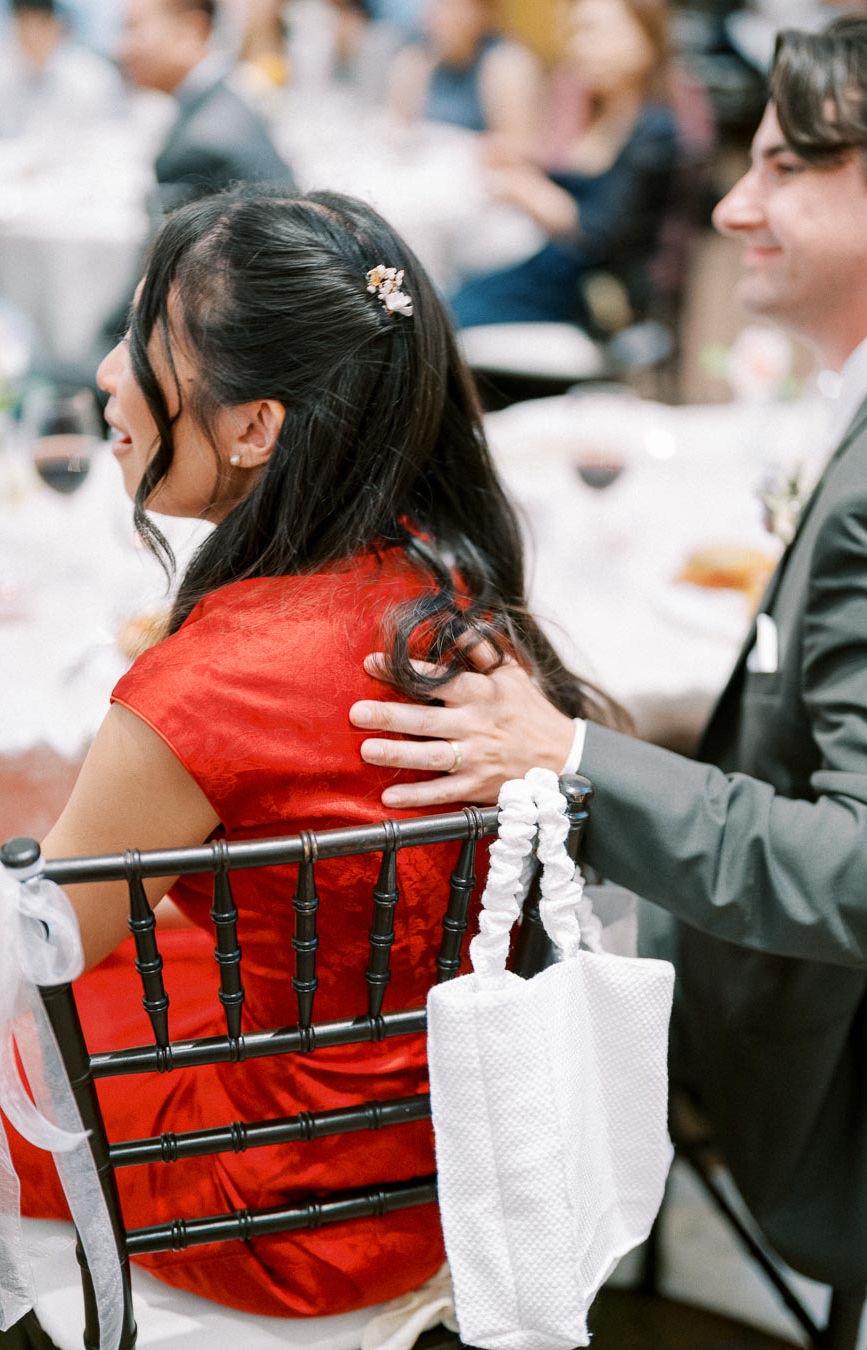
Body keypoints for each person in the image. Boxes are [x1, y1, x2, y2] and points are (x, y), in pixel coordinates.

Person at [0, 186, 606, 1317]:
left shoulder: (210, 680)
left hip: (280, 1203)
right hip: (452, 1140)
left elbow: (37, 952)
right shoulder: (440, 572)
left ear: (258, 425)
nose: (109, 376)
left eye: (143, 343)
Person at [351, 15, 867, 1296]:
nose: (740, 205)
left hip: (819, 1064)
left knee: (446, 1005)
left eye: (791, 165)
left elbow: (859, 868)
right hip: (758, 979)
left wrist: (571, 754)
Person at [451, 0, 679, 330]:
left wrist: (530, 191)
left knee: (450, 315)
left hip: (594, 294)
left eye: (591, 31)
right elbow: (583, 183)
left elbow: (602, 235)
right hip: (553, 269)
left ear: (646, 37)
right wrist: (526, 163)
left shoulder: (656, 129)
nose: (577, 47)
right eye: (574, 34)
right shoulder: (604, 115)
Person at [119, 0, 293, 216]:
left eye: (133, 27)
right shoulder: (220, 100)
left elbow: (169, 246)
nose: (121, 47)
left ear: (191, 30)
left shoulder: (201, 145)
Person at [0, 0, 125, 140]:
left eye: (40, 24)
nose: (32, 35)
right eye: (23, 24)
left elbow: (109, 136)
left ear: (57, 26)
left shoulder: (91, 76)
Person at [387, 0, 541, 141]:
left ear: (482, 13)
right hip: (428, 165)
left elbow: (516, 144)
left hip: (478, 167)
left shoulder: (506, 62)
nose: (442, 16)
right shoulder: (416, 58)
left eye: (454, 6)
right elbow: (397, 128)